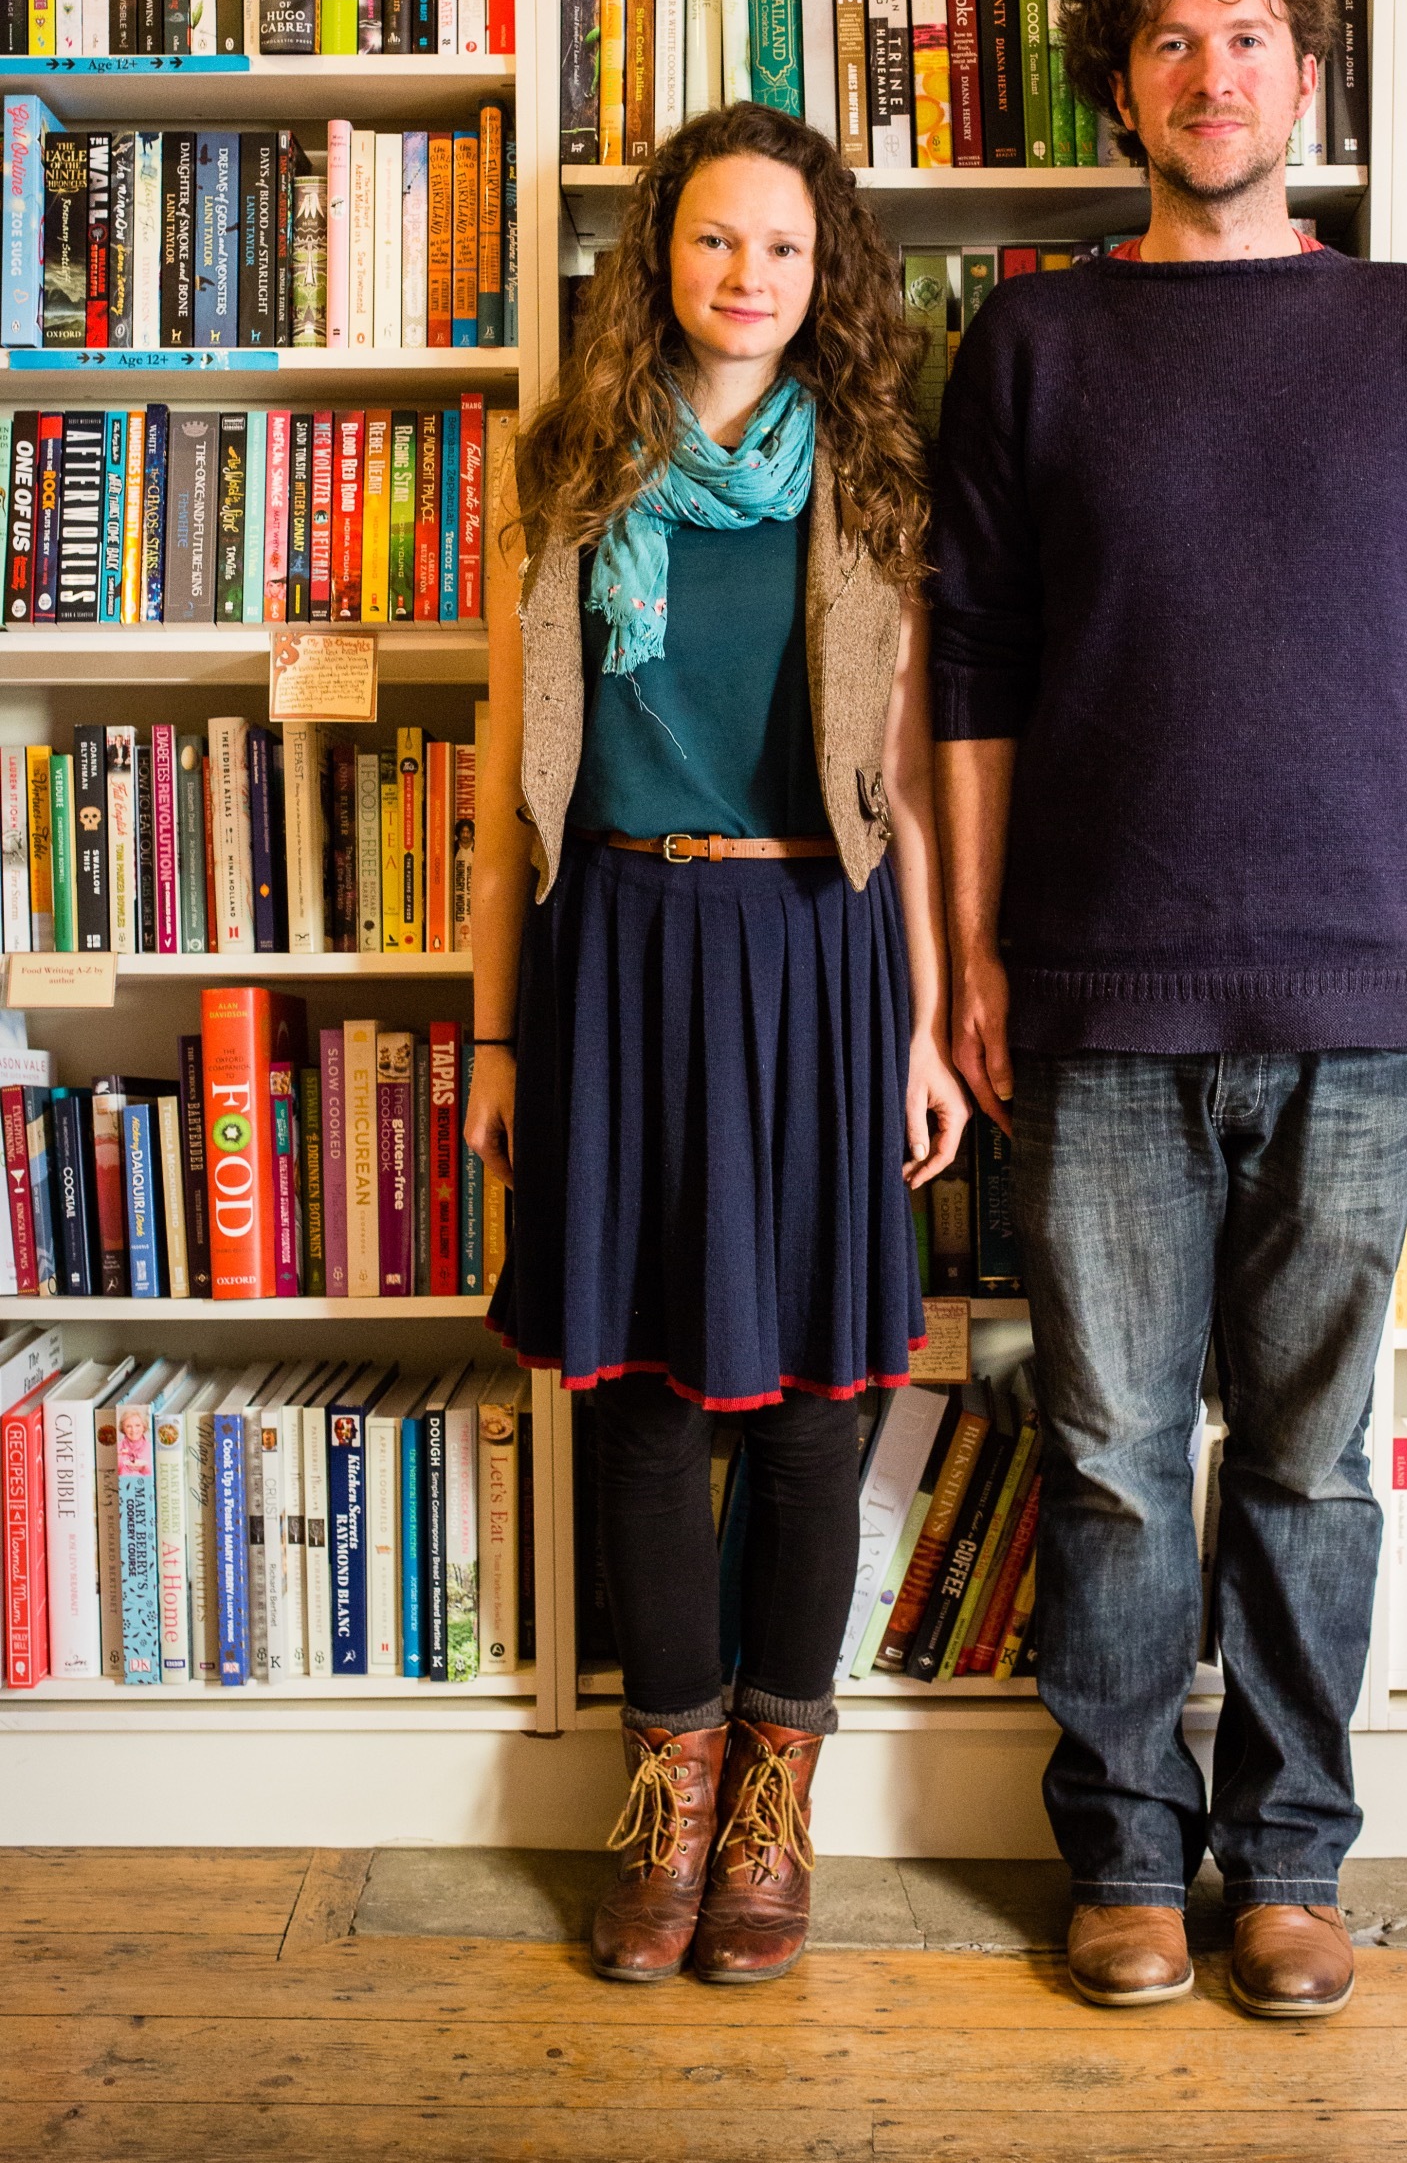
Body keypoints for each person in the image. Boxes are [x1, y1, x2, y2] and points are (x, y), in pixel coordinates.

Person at [929, 0, 1407, 2019]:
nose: (1215, 70)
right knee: (1101, 1451)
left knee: (1306, 1460)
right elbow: (968, 674)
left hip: (1361, 993)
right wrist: (985, 947)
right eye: (1173, 40)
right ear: (1121, 86)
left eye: (1251, 33)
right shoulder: (1033, 340)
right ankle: (1120, 1854)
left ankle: (1285, 1860)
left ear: (1306, 74)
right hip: (1092, 993)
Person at [467, 103, 965, 1987]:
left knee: (826, 1407)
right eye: (710, 241)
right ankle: (663, 1791)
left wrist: (921, 1026)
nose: (745, 276)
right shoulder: (577, 471)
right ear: (655, 261)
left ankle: (777, 1799)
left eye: (781, 245)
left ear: (825, 270)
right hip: (622, 948)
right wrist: (497, 1038)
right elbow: (515, 801)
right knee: (651, 1400)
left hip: (817, 957)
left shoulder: (869, 478)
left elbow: (905, 788)